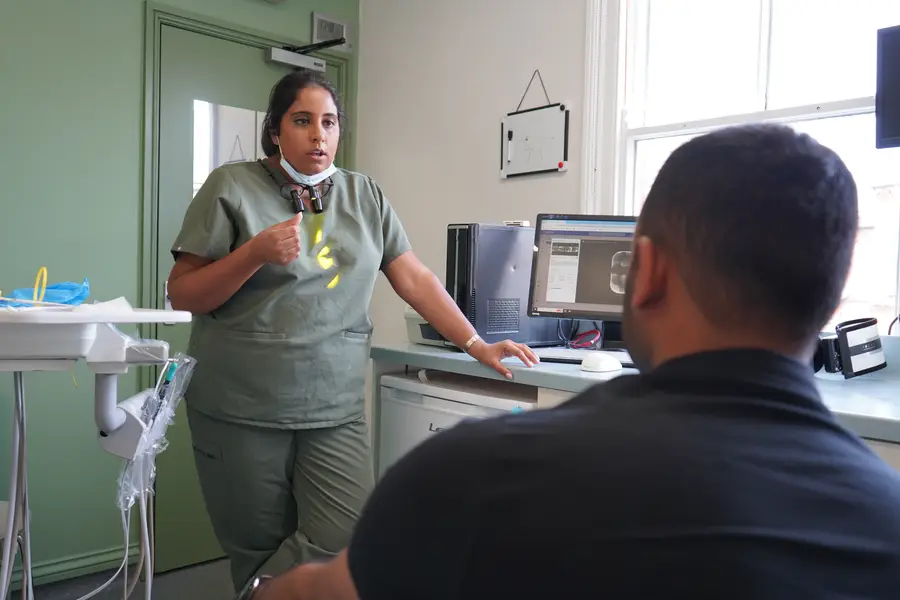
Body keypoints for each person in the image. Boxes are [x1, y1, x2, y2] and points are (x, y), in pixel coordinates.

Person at [243, 123, 900, 600]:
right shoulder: (885, 521)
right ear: (830, 296)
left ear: (644, 274)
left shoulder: (474, 475)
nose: (319, 135)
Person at [167, 69, 539, 591]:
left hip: (332, 404)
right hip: (241, 405)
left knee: (343, 534)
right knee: (257, 545)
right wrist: (253, 254)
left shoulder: (364, 196)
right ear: (276, 130)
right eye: (302, 121)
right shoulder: (231, 187)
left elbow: (415, 278)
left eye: (329, 122)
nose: (319, 135)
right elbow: (182, 292)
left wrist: (476, 343)